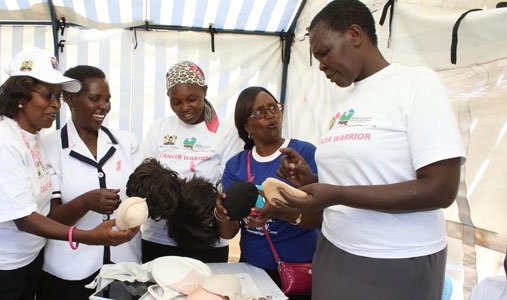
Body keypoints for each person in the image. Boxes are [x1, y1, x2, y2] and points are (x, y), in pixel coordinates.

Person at [275, 1, 466, 299]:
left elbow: (440, 189)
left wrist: (336, 194)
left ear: (354, 34)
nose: (322, 66)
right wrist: (311, 179)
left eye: (324, 53)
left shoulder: (416, 84)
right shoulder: (343, 101)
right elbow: (364, 174)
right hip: (333, 251)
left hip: (397, 260)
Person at [0, 48, 138, 300]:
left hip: (23, 258)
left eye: (57, 96)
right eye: (47, 95)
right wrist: (87, 236)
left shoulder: (34, 138)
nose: (56, 104)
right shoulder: (0, 141)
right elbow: (22, 218)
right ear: (20, 96)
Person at [36, 65, 144, 300]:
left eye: (107, 99)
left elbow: (143, 195)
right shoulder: (49, 147)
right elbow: (50, 219)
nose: (103, 106)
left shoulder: (127, 143)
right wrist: (86, 202)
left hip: (122, 267)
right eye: (95, 98)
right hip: (69, 271)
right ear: (71, 99)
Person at [215, 86, 321, 300]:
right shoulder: (236, 165)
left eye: (274, 107)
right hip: (252, 271)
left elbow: (319, 218)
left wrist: (281, 212)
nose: (271, 115)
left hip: (300, 270)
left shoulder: (304, 154)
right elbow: (228, 233)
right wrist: (221, 212)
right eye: (259, 112)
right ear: (246, 126)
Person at [141, 61, 242, 263]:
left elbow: (229, 188)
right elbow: (146, 177)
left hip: (206, 238)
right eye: (176, 102)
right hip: (158, 238)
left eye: (192, 98)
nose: (185, 107)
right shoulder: (160, 128)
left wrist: (174, 188)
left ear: (204, 91)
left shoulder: (226, 131)